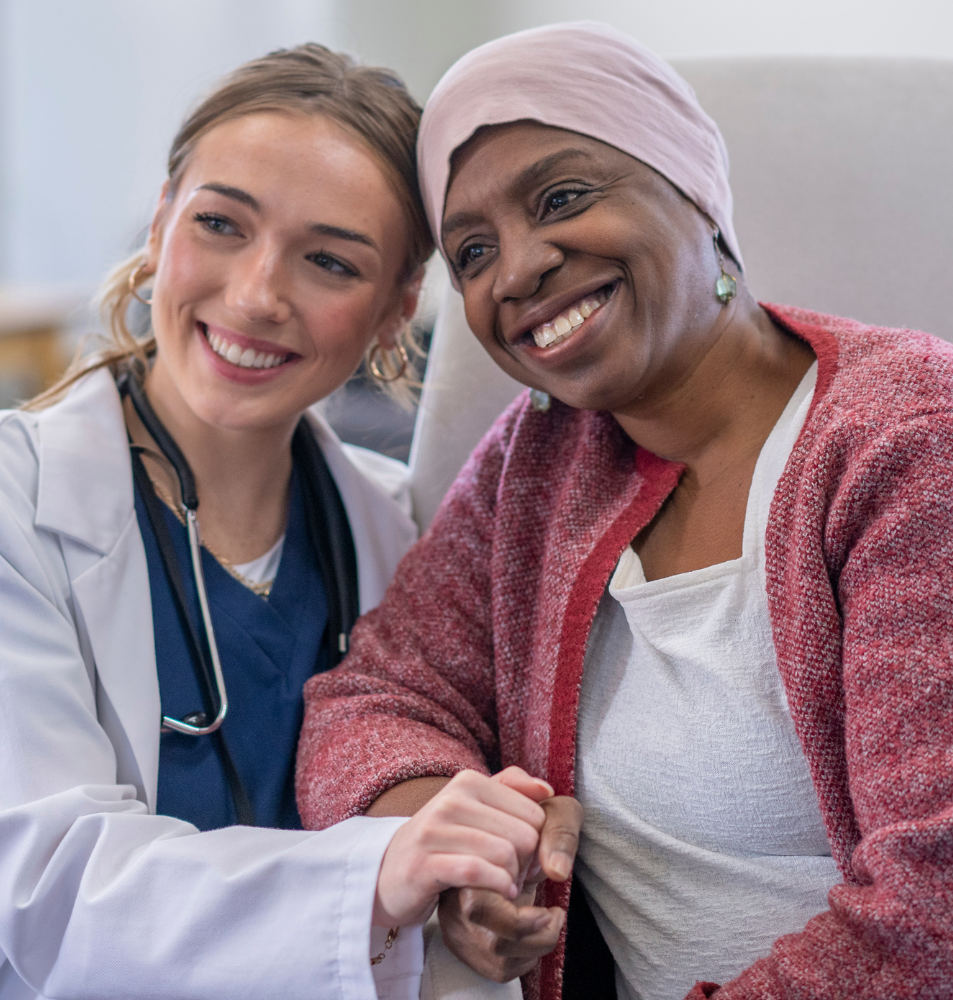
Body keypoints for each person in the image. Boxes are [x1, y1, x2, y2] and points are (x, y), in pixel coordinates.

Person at [297, 22, 953, 1000]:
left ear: (692, 188)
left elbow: (931, 908)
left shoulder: (908, 440)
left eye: (561, 197)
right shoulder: (539, 460)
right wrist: (457, 846)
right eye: (471, 251)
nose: (515, 271)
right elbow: (376, 694)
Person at [0, 43, 560, 1000]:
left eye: (330, 260)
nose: (255, 294)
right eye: (221, 224)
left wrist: (468, 896)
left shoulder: (398, 534)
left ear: (397, 310)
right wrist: (378, 877)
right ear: (160, 225)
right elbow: (56, 892)